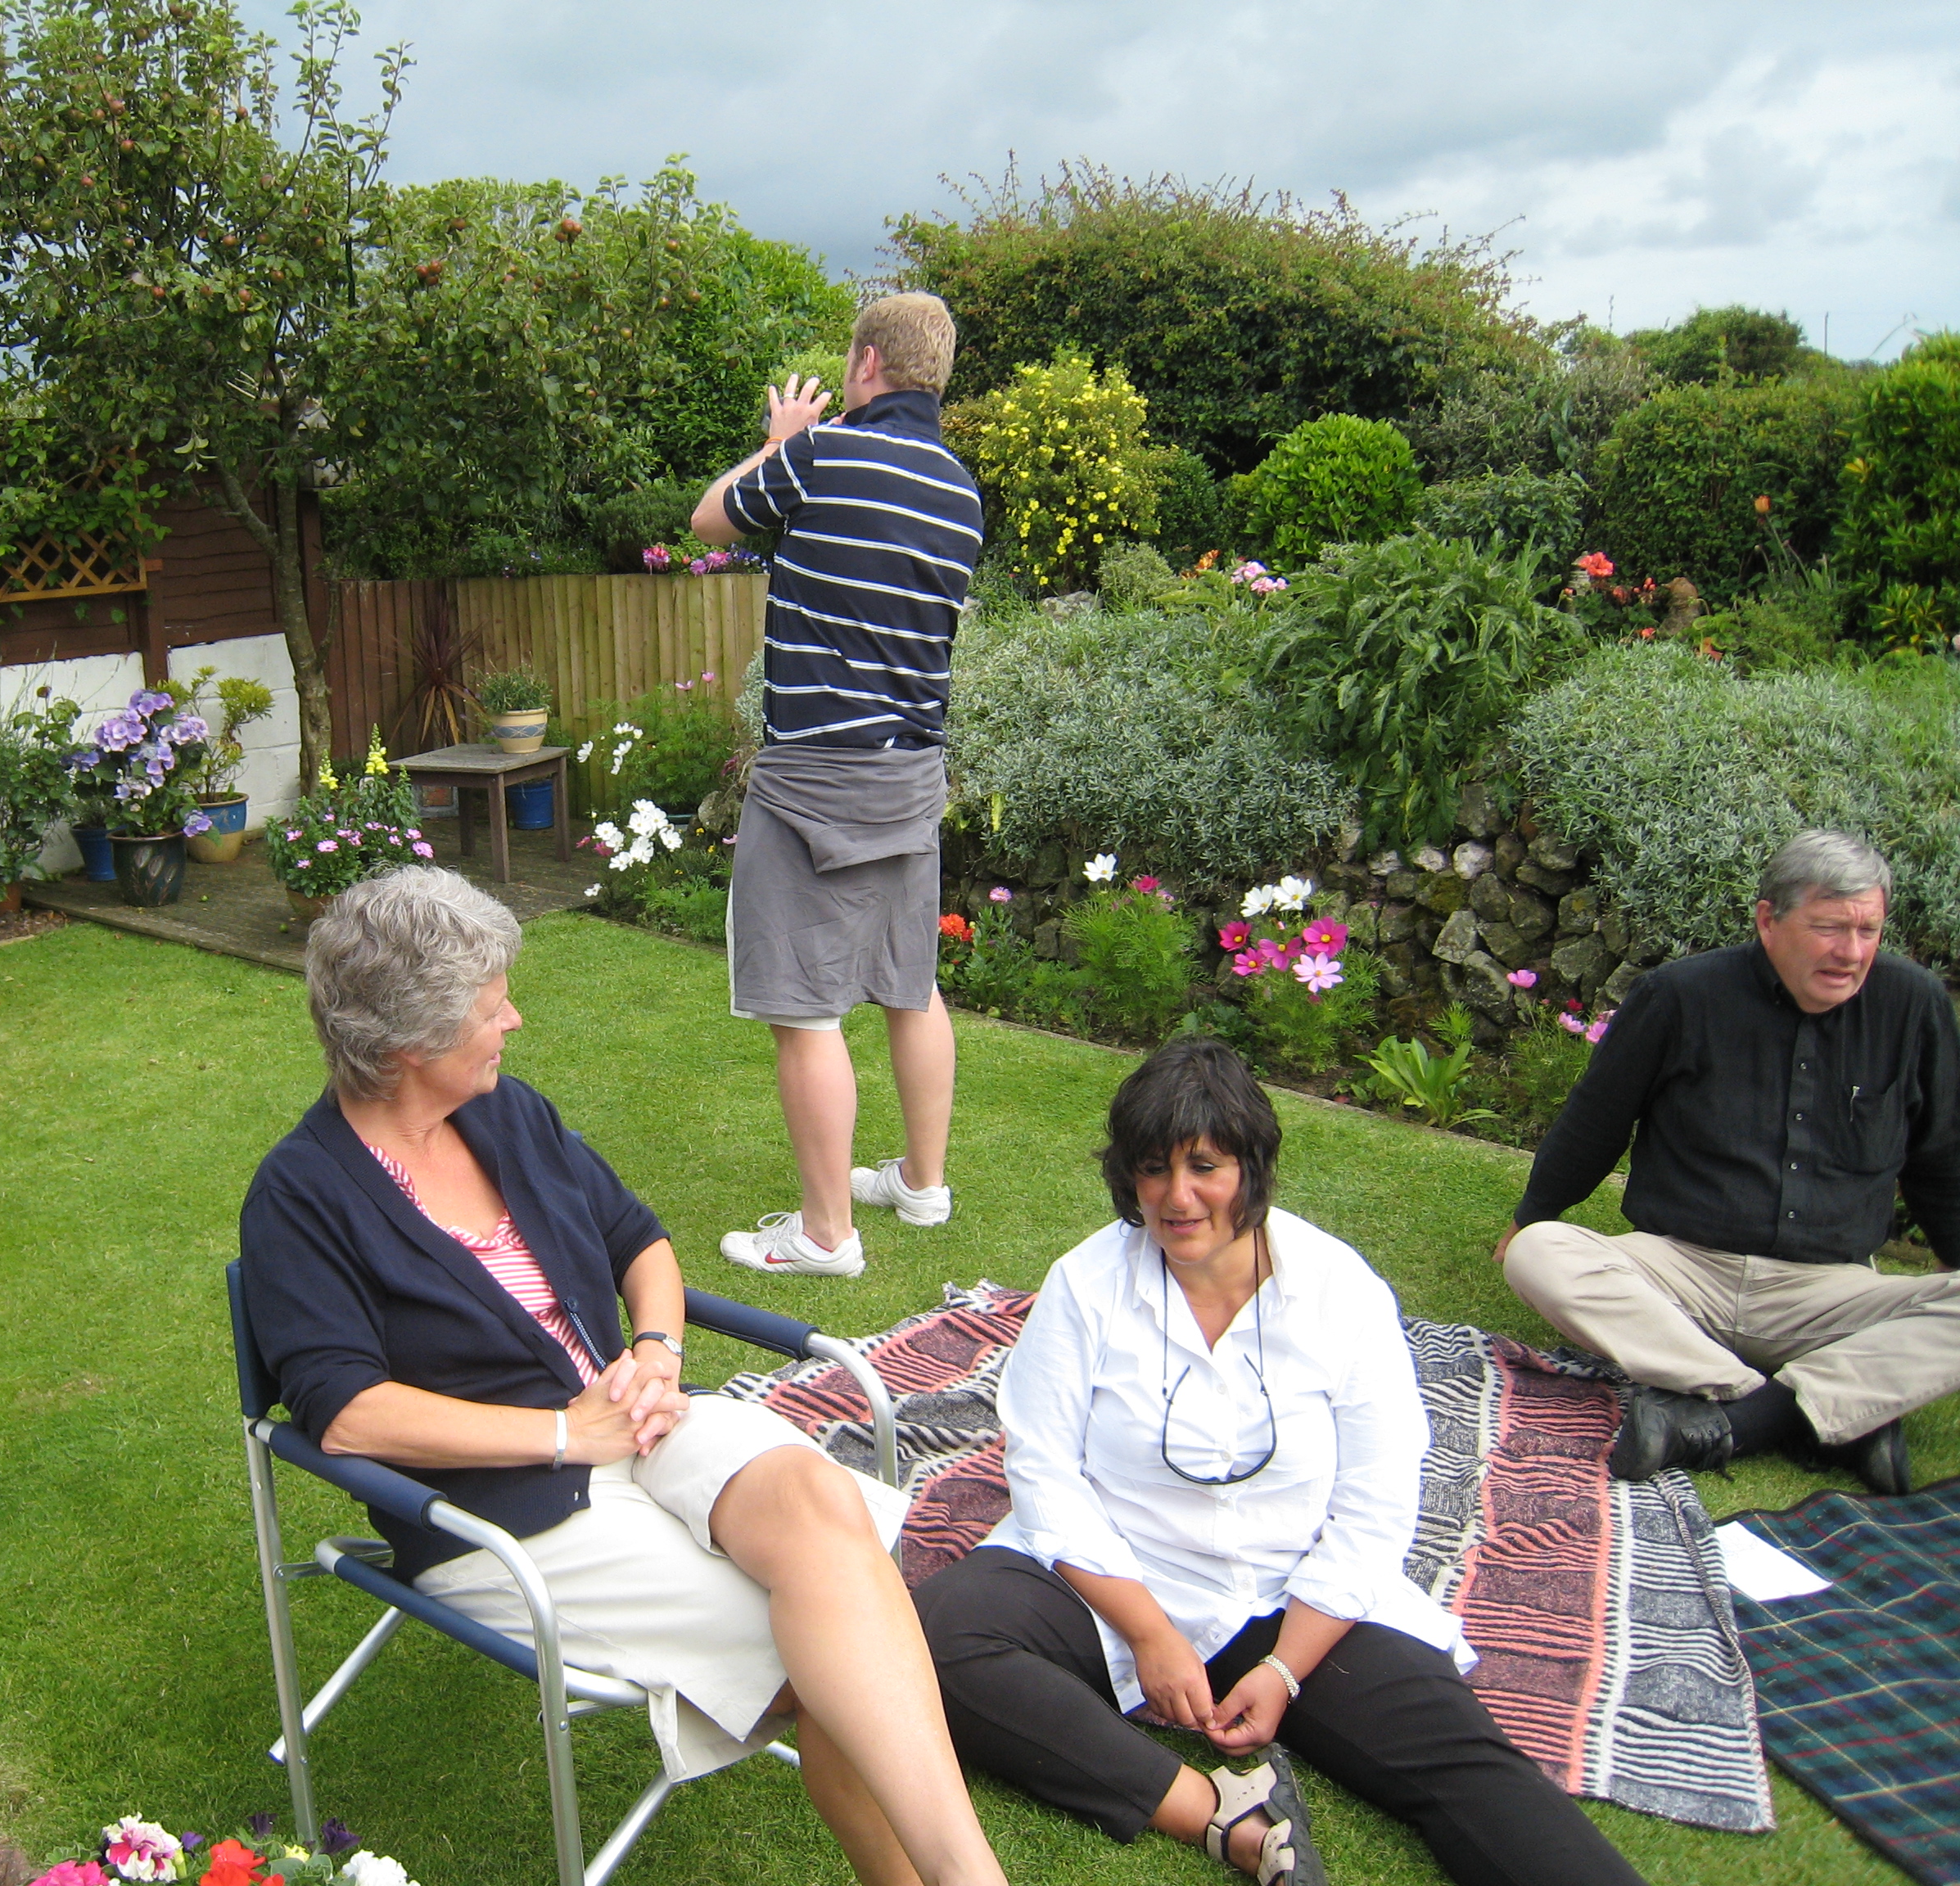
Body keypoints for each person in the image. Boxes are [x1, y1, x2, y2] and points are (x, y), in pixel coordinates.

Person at [238, 866, 1008, 1886]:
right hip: (505, 1505)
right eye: (490, 1008)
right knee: (826, 1646)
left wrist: (655, 1351)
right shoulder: (302, 1197)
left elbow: (638, 1241)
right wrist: (566, 1435)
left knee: (822, 1514)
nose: (514, 1019)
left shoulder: (506, 1115)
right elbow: (348, 1415)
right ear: (410, 1045)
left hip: (640, 1415)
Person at [914, 1038, 1647, 1886]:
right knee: (931, 1642)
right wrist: (1150, 1633)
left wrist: (1285, 1669)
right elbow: (1045, 1474)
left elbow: (1377, 1501)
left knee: (1461, 1762)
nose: (1177, 1197)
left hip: (1291, 1591)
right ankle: (1223, 1815)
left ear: (1253, 1169)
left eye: (1205, 1167)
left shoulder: (1340, 1290)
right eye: (1153, 1170)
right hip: (1118, 1578)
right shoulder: (1086, 1284)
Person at [1496, 829, 1960, 1494]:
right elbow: (1597, 1120)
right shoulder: (1680, 996)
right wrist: (1533, 1215)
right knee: (1540, 1253)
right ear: (1768, 920)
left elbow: (1941, 1152)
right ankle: (1817, 1413)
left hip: (1830, 1294)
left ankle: (1737, 1419)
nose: (1852, 953)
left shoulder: (1913, 1005)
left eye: (1869, 931)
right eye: (1830, 928)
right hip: (1681, 1276)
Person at [689, 292, 983, 1280]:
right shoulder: (959, 488)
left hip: (814, 775)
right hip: (911, 773)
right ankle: (923, 1186)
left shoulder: (822, 456)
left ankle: (824, 1235)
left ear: (866, 365)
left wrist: (778, 442)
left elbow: (708, 521)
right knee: (909, 980)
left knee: (804, 1007)